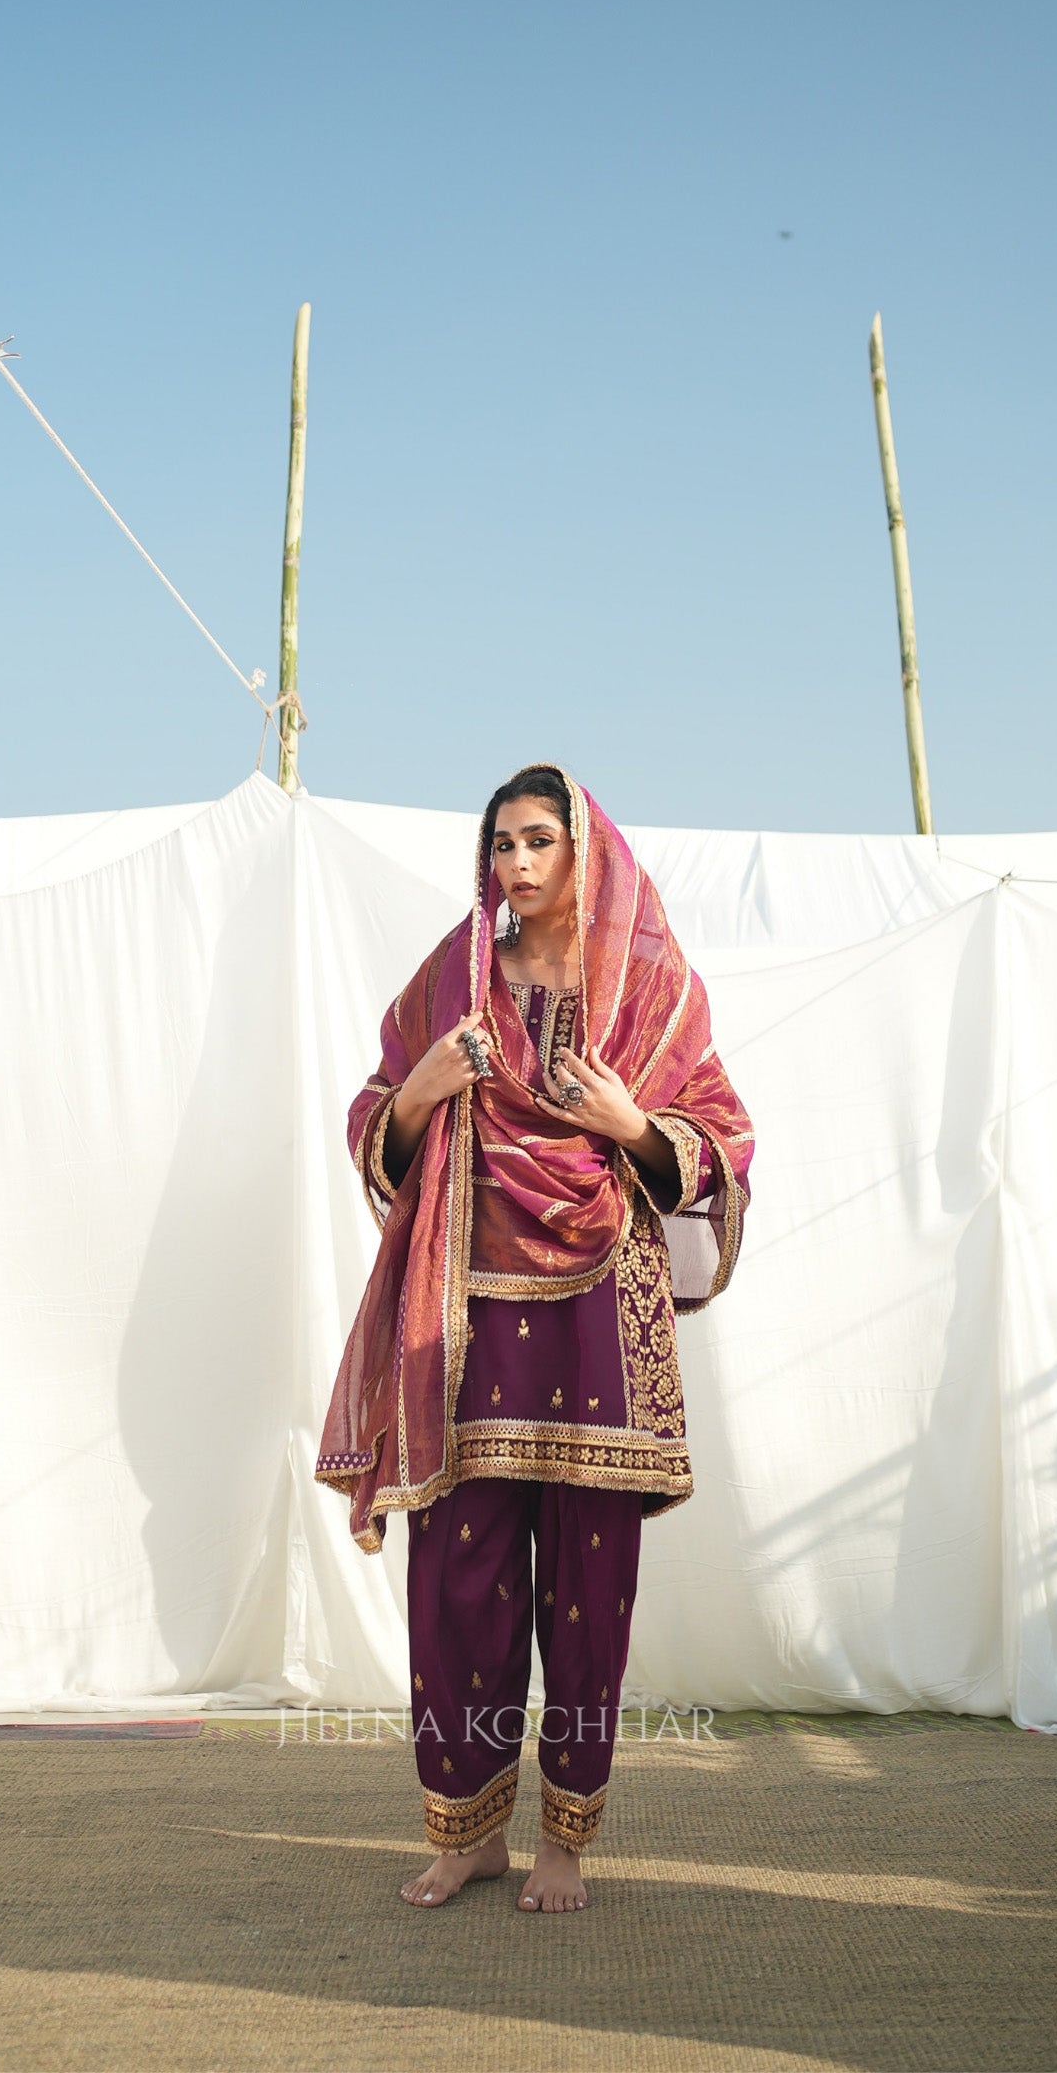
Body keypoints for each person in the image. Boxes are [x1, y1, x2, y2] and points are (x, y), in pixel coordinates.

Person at [315, 763, 753, 1913]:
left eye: (538, 841)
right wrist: (419, 1091)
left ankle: (565, 1840)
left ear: (583, 851)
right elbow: (377, 1110)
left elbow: (719, 1137)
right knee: (456, 1585)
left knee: (588, 1591)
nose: (515, 863)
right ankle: (467, 1832)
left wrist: (629, 1124)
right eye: (501, 843)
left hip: (601, 1317)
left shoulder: (649, 988)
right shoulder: (454, 979)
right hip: (463, 1313)